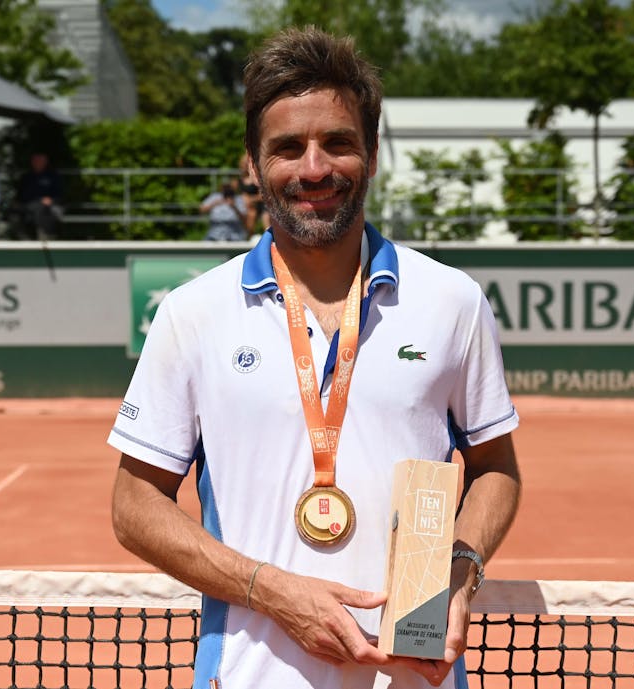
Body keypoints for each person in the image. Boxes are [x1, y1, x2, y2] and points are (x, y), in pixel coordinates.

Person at [109, 27, 521, 689]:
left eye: (336, 142)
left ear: (373, 154)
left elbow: (496, 468)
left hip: (415, 677)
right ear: (251, 163)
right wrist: (271, 591)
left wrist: (460, 566)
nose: (314, 169)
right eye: (287, 148)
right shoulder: (191, 313)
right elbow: (134, 504)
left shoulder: (454, 301)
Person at [15, 151, 64, 240]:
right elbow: (20, 196)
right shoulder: (26, 177)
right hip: (29, 205)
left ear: (46, 161)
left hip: (48, 206)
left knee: (42, 210)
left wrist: (51, 200)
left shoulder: (53, 176)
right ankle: (25, 239)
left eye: (40, 160)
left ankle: (44, 236)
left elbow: (59, 194)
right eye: (35, 160)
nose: (37, 162)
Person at [238, 151, 270, 233]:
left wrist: (251, 200)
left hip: (259, 204)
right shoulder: (239, 181)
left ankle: (267, 238)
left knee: (258, 214)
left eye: (246, 164)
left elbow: (262, 196)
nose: (244, 166)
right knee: (249, 212)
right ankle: (247, 236)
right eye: (243, 164)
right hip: (245, 205)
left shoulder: (256, 179)